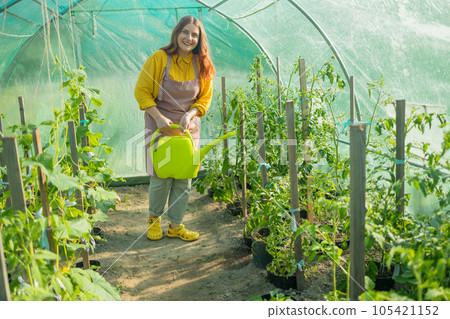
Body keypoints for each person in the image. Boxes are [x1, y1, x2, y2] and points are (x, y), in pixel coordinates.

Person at [134, 15, 215, 242]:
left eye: (194, 35)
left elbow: (204, 100)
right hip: (160, 125)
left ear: (199, 40)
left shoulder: (202, 64)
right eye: (185, 32)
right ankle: (154, 220)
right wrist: (158, 117)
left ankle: (175, 226)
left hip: (188, 127)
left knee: (184, 179)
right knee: (161, 177)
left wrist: (190, 114)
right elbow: (141, 91)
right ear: (176, 33)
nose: (189, 38)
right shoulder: (159, 59)